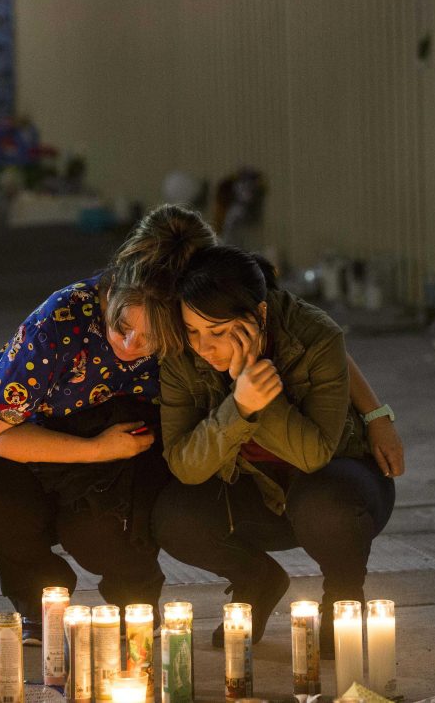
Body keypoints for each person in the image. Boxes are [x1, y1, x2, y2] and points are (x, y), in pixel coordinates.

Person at [0, 205, 215, 644]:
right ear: (114, 286)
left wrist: (373, 415)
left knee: (101, 529)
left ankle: (136, 600)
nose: (130, 346)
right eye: (122, 325)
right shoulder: (62, 317)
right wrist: (95, 449)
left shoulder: (196, 321)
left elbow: (298, 328)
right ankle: (40, 597)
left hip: (128, 446)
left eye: (152, 339)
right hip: (37, 438)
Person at [150, 244, 399, 658]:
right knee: (175, 518)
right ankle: (256, 580)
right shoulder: (182, 356)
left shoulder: (314, 337)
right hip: (254, 490)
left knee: (326, 506)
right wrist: (238, 406)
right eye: (192, 330)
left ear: (259, 316)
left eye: (217, 331)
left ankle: (342, 597)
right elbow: (184, 463)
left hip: (336, 485)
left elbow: (314, 454)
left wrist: (256, 392)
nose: (203, 347)